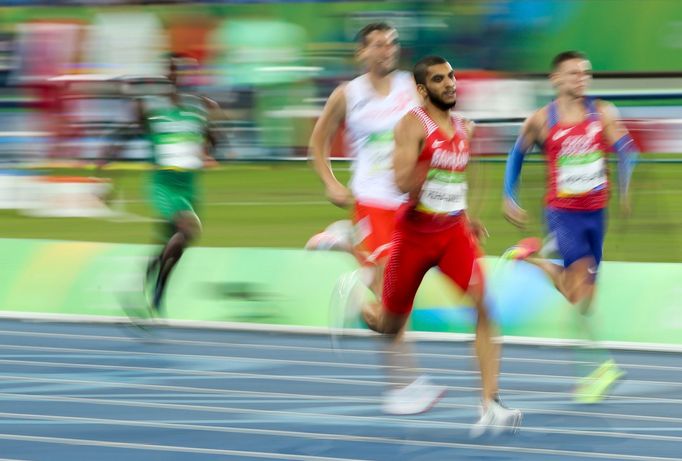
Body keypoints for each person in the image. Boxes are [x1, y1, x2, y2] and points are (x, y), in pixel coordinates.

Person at [359, 55, 522, 436]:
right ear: (421, 90)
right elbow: (400, 182)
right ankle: (358, 301)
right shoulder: (412, 125)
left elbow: (466, 172)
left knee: (486, 306)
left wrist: (468, 218)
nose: (450, 83)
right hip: (414, 237)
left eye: (451, 76)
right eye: (438, 79)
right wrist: (421, 168)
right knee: (388, 325)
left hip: (451, 235)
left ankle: (490, 404)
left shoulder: (465, 126)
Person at [502, 50, 638, 402]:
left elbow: (628, 150)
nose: (582, 77)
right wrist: (509, 196)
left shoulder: (603, 112)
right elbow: (516, 155)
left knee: (584, 299)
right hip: (563, 215)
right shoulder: (541, 120)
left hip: (597, 215)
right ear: (556, 80)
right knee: (578, 294)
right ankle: (599, 368)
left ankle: (528, 259)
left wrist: (624, 187)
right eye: (574, 72)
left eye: (586, 72)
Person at [309, 22, 420, 302]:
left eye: (392, 43)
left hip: (411, 199)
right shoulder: (348, 95)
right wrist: (330, 183)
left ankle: (347, 243)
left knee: (404, 278)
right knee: (388, 291)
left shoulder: (413, 86)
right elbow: (318, 142)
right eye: (379, 44)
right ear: (362, 52)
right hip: (373, 198)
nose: (387, 50)